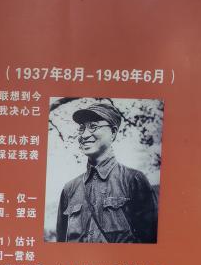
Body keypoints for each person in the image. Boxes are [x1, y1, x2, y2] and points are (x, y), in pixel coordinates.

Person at [55, 101, 158, 244]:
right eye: (82, 128)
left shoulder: (133, 180)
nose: (85, 135)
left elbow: (150, 243)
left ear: (113, 132)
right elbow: (61, 245)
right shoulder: (69, 189)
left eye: (93, 126)